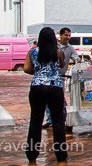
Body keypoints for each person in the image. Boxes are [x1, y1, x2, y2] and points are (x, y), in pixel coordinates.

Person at [24, 27, 67, 164]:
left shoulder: (32, 52)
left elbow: (26, 69)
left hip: (37, 87)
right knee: (58, 121)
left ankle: (32, 154)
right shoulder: (58, 51)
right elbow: (61, 65)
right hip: (55, 87)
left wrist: (38, 72)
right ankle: (60, 154)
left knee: (35, 120)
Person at [44, 27, 78, 132]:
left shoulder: (70, 48)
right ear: (61, 35)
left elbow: (76, 58)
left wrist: (80, 61)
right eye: (66, 35)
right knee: (47, 99)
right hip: (49, 76)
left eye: (69, 35)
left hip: (60, 77)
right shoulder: (54, 46)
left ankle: (62, 118)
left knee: (60, 99)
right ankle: (50, 120)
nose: (68, 37)